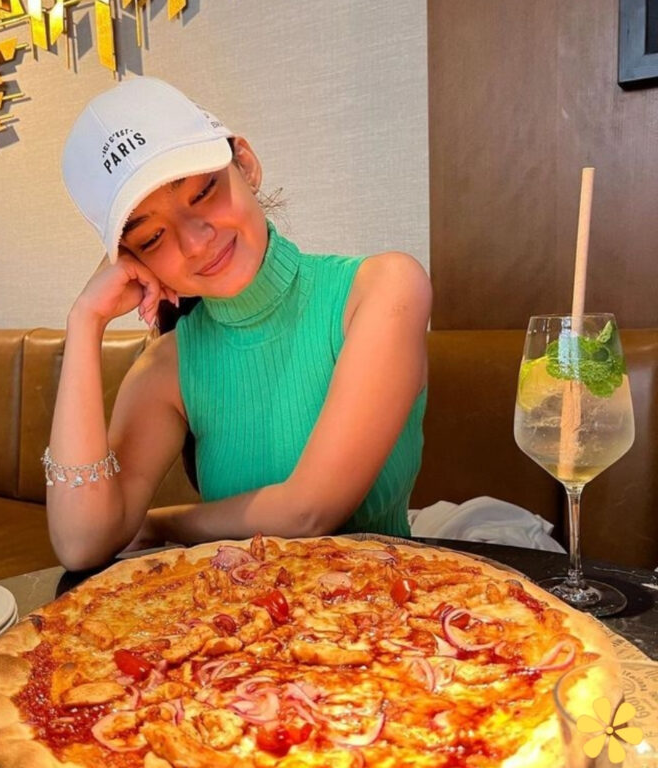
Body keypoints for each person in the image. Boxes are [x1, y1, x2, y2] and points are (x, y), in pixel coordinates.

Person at [45, 77, 431, 571]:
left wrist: (166, 523)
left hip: (394, 615)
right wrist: (84, 322)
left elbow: (311, 510)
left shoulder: (382, 288)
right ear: (134, 260)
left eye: (204, 192)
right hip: (235, 628)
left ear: (244, 164)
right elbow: (80, 544)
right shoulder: (167, 366)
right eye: (154, 237)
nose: (195, 242)